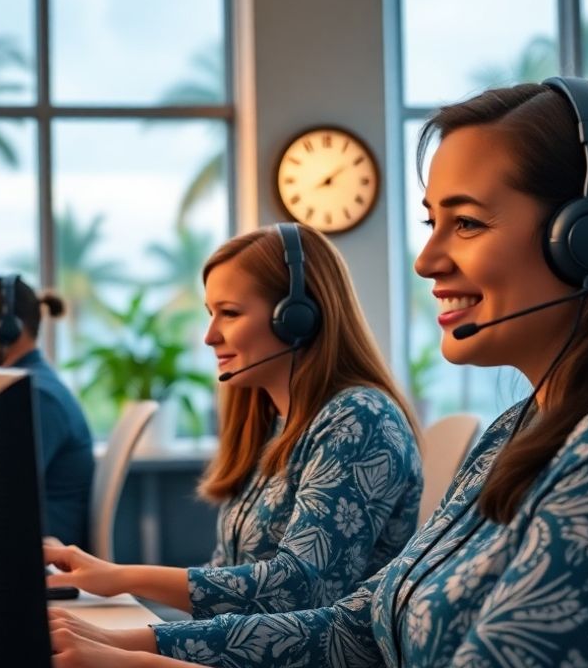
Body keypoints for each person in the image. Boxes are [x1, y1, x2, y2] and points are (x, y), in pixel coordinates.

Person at [46, 78, 588, 667]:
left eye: (466, 223)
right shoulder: (528, 425)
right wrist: (141, 647)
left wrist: (145, 646)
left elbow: (315, 589)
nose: (427, 260)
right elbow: (365, 627)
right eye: (432, 221)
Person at [45, 223, 422, 621]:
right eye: (211, 314)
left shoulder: (358, 420)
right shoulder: (273, 423)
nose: (209, 336)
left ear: (297, 318)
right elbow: (227, 577)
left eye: (229, 313)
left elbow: (299, 589)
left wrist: (123, 580)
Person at [0, 274, 93, 547]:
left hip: (38, 562)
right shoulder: (20, 390)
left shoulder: (36, 396)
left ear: (7, 330)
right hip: (11, 551)